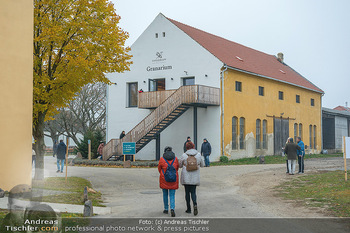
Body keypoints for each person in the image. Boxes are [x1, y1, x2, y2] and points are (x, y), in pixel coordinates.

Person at [180, 142, 204, 216]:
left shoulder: (184, 155)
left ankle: (188, 209)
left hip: (186, 177)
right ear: (194, 147)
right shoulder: (198, 155)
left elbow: (180, 165)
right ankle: (195, 204)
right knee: (193, 192)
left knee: (187, 193)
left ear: (186, 147)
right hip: (195, 177)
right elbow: (202, 165)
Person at [158, 146, 179, 217]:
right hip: (173, 179)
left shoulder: (162, 159)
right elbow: (177, 168)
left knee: (165, 194)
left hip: (164, 179)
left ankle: (166, 209)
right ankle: (172, 209)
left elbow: (159, 169)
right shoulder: (175, 159)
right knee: (172, 195)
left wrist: (163, 173)